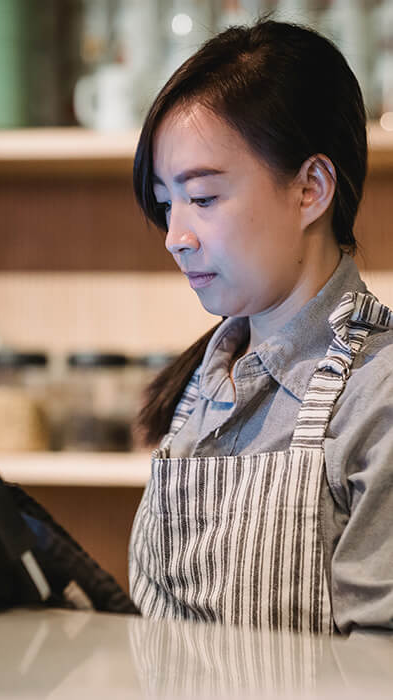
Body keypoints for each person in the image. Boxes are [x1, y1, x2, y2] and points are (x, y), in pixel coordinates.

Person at [129, 19, 393, 635]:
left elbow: (379, 666)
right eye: (167, 204)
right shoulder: (202, 384)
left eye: (203, 197)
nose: (175, 238)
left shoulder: (378, 394)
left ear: (310, 189)